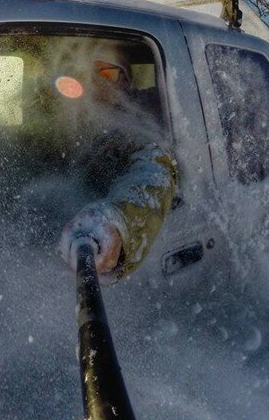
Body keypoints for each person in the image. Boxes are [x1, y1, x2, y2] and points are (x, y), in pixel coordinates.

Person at [29, 49, 178, 281]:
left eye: (107, 73)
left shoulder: (132, 130)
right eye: (89, 73)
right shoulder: (75, 123)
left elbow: (153, 169)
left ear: (125, 83)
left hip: (88, 247)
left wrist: (118, 223)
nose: (96, 81)